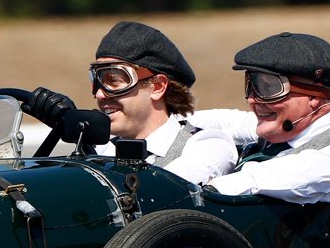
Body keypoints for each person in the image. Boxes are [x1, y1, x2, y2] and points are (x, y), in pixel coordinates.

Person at [192, 32, 330, 204]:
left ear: (315, 97)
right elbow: (226, 121)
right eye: (250, 86)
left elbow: (325, 170)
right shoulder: (277, 129)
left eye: (269, 87)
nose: (253, 99)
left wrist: (217, 188)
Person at [27, 21, 240, 185]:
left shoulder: (207, 145)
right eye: (96, 81)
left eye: (114, 81)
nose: (100, 95)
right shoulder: (103, 151)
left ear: (157, 87)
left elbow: (159, 193)